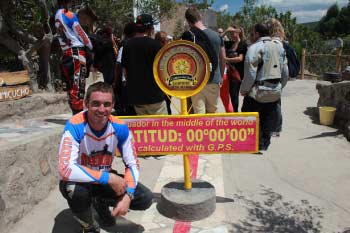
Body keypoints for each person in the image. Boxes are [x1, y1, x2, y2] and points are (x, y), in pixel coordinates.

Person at [58, 82, 153, 233]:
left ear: (113, 105)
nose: (102, 110)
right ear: (86, 103)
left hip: (103, 179)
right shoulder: (74, 125)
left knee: (145, 198)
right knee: (75, 191)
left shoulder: (120, 127)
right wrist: (109, 178)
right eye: (96, 104)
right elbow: (66, 169)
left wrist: (127, 195)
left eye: (107, 104)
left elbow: (132, 164)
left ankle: (99, 201)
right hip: (81, 181)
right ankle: (89, 226)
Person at [240, 23, 288, 151]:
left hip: (258, 91)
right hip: (274, 90)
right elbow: (285, 72)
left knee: (249, 114)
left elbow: (250, 74)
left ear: (257, 34)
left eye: (252, 33)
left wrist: (244, 89)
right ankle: (264, 143)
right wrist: (279, 87)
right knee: (268, 115)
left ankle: (254, 143)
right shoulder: (279, 47)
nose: (251, 36)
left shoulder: (254, 48)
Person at [121, 14, 168, 115]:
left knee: (144, 129)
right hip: (155, 97)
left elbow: (125, 72)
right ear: (150, 27)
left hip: (136, 98)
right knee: (160, 128)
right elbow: (163, 71)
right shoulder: (156, 45)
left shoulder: (127, 45)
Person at [184, 7, 226, 114]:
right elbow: (223, 58)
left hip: (196, 80)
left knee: (199, 114)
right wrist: (220, 76)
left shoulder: (188, 35)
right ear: (200, 17)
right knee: (213, 112)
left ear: (188, 21)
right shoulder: (217, 36)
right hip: (214, 79)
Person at [55, 0, 93, 115]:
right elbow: (81, 33)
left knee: (71, 85)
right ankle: (78, 116)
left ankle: (75, 114)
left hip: (66, 52)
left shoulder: (56, 15)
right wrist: (91, 46)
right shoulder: (69, 15)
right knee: (78, 86)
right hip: (76, 52)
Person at [266, 18, 286, 137]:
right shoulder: (280, 42)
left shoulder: (274, 43)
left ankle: (275, 128)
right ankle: (276, 128)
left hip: (273, 75)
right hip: (278, 77)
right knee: (276, 103)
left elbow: (285, 69)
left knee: (274, 103)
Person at [222, 26, 248, 112]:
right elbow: (217, 40)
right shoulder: (229, 43)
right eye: (230, 33)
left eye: (233, 32)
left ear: (238, 32)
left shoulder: (243, 44)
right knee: (232, 96)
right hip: (230, 73)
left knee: (239, 96)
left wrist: (226, 59)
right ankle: (234, 114)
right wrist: (226, 31)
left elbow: (240, 58)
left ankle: (238, 114)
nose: (232, 35)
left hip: (238, 73)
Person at [155, 30, 172, 115]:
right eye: (167, 41)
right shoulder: (165, 52)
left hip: (161, 84)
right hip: (164, 84)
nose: (168, 42)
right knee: (167, 106)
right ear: (163, 41)